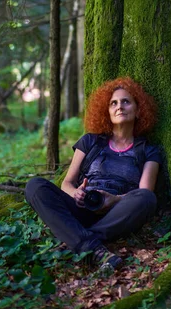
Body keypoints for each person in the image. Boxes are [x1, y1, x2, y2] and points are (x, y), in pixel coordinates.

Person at [25, 77, 162, 272]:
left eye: (126, 101)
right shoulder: (90, 141)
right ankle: (92, 246)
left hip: (117, 214)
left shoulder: (148, 150)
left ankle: (78, 240)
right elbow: (67, 183)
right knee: (35, 186)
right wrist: (76, 194)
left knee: (147, 199)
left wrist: (114, 200)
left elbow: (144, 192)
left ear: (139, 110)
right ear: (107, 111)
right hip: (81, 208)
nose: (119, 107)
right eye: (113, 103)